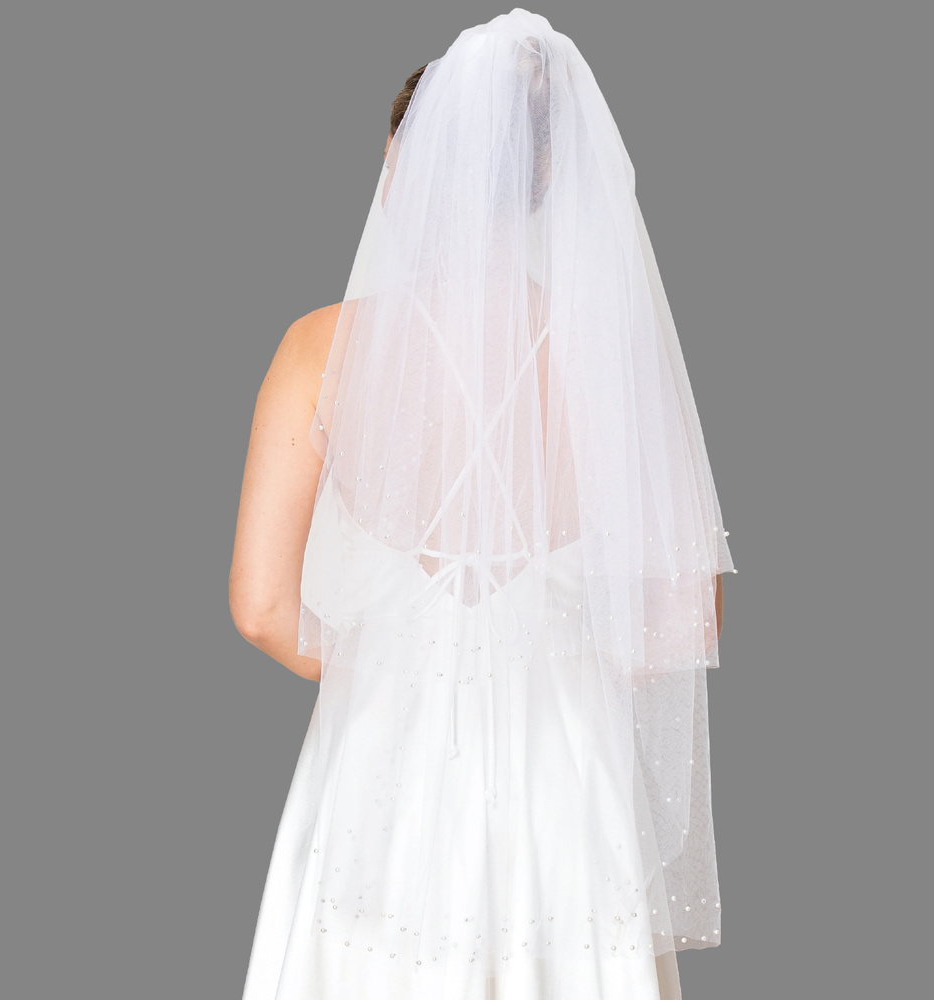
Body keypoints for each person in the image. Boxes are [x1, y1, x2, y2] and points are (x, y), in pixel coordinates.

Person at [230, 10, 734, 999]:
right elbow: (688, 622)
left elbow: (261, 607)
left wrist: (409, 660)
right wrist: (543, 652)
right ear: (546, 180)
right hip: (566, 781)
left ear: (400, 164)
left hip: (381, 778)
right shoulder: (614, 355)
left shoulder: (317, 350)